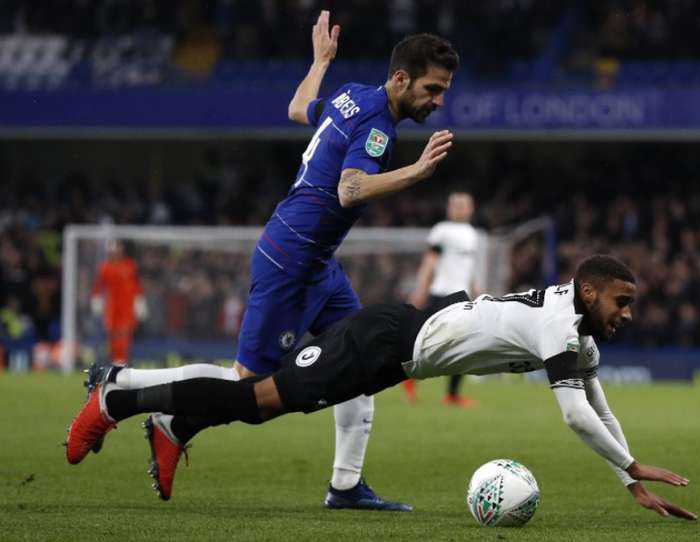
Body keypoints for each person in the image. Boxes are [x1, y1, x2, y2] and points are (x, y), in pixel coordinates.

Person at [67, 10, 459, 511]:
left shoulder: (353, 95)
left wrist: (319, 62)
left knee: (365, 359)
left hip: (315, 261)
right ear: (401, 78)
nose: (438, 101)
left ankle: (345, 486)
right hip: (291, 260)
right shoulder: (378, 125)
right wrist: (418, 171)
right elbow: (350, 189)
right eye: (432, 88)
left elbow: (299, 108)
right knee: (245, 388)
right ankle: (122, 387)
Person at [67, 254, 698, 520]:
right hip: (387, 341)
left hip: (395, 351)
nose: (627, 313)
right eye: (622, 301)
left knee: (257, 401)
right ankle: (119, 397)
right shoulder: (562, 326)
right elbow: (575, 418)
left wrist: (630, 481)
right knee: (254, 400)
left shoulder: (578, 334)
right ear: (590, 291)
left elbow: (598, 407)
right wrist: (633, 463)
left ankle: (170, 423)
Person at [405, 189, 480, 406]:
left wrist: (476, 286)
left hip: (463, 295)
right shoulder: (442, 230)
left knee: (465, 344)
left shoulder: (472, 234)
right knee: (425, 339)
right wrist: (420, 289)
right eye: (455, 204)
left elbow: (469, 266)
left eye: (463, 204)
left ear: (471, 208)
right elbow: (430, 261)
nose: (459, 208)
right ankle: (408, 376)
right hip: (441, 293)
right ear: (449, 208)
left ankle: (452, 394)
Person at [91, 240, 146, 366]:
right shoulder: (105, 268)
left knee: (125, 333)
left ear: (121, 251)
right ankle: (116, 360)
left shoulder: (130, 265)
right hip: (112, 307)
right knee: (113, 334)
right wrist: (96, 300)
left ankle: (122, 361)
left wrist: (140, 302)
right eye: (111, 252)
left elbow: (137, 286)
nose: (114, 254)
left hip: (127, 306)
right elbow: (98, 286)